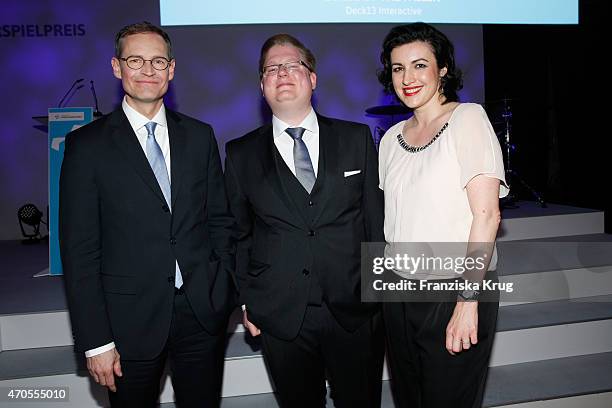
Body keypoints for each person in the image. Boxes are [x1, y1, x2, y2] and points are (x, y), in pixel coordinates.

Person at [59, 21, 235, 407]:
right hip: (127, 323)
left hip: (201, 315)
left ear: (172, 69)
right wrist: (96, 341)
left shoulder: (200, 135)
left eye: (158, 61)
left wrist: (222, 289)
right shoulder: (86, 146)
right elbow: (80, 251)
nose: (148, 71)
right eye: (135, 60)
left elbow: (219, 220)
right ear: (116, 67)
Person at [224, 33, 385, 408]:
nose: (282, 73)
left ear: (312, 78)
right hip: (280, 315)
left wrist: (380, 297)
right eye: (271, 68)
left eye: (292, 64)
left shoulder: (356, 138)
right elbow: (236, 234)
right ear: (262, 86)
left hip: (356, 312)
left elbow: (375, 223)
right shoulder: (240, 154)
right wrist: (248, 301)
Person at [377, 23, 509, 408]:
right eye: (398, 68)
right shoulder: (389, 140)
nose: (408, 78)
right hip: (399, 289)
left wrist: (467, 302)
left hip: (455, 287)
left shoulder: (467, 119)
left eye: (420, 65)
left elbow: (487, 216)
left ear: (444, 69)